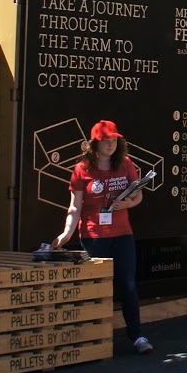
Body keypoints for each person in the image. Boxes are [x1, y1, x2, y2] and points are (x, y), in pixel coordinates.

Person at [54, 120, 152, 355]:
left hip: (122, 234)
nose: (111, 144)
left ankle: (137, 335)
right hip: (94, 235)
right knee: (98, 287)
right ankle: (95, 337)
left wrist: (129, 202)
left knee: (127, 285)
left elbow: (137, 196)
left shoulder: (126, 164)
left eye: (115, 140)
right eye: (106, 140)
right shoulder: (81, 169)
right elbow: (75, 206)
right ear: (94, 143)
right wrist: (67, 233)